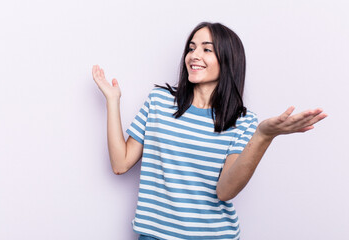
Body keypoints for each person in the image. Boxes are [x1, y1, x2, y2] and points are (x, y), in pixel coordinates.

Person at [92, 22, 327, 240]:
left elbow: (225, 191)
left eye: (207, 50)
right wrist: (113, 101)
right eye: (191, 48)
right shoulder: (159, 102)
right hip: (154, 234)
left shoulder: (244, 122)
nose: (194, 55)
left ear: (228, 60)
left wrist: (264, 136)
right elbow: (120, 164)